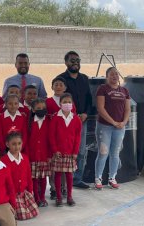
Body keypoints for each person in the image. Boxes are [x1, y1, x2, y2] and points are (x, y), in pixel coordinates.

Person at [57, 51, 92, 189]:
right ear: (66, 62)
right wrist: (72, 114)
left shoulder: (84, 79)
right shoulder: (60, 79)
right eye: (72, 60)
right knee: (65, 152)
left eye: (77, 60)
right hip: (65, 122)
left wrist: (86, 114)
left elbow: (89, 99)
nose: (75, 62)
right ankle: (63, 182)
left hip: (81, 121)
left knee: (80, 151)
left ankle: (77, 179)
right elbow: (58, 99)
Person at [93, 67, 130, 189]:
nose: (114, 76)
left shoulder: (124, 90)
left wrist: (124, 122)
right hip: (105, 126)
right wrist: (113, 122)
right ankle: (98, 178)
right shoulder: (102, 89)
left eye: (116, 74)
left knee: (115, 153)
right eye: (111, 74)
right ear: (107, 76)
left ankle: (112, 177)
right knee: (103, 152)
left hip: (120, 127)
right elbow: (100, 108)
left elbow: (127, 109)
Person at [46, 77, 76, 200]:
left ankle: (64, 188)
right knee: (55, 168)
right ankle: (53, 188)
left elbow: (74, 121)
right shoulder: (48, 101)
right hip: (54, 138)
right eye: (56, 84)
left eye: (61, 84)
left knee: (66, 169)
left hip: (67, 141)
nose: (58, 86)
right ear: (52, 87)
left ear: (65, 87)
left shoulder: (69, 103)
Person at [49, 93, 82, 207]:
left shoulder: (76, 119)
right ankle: (58, 197)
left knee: (69, 175)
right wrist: (55, 150)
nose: (67, 104)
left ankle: (69, 196)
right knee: (57, 175)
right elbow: (51, 136)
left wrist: (75, 152)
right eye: (64, 102)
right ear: (60, 104)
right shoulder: (55, 118)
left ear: (72, 104)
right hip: (59, 154)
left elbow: (78, 136)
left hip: (70, 153)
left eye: (69, 102)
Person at [1, 131, 38, 220]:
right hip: (11, 195)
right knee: (22, 216)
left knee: (34, 212)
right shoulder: (3, 160)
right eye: (13, 144)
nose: (17, 147)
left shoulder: (25, 158)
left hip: (23, 193)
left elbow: (29, 177)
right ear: (7, 144)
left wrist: (30, 192)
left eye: (19, 143)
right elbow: (2, 182)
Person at [27, 98, 50, 207]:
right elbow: (26, 140)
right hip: (33, 156)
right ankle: (36, 198)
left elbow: (50, 140)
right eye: (38, 108)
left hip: (44, 156)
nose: (41, 110)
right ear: (33, 109)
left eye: (43, 108)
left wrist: (49, 155)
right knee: (34, 179)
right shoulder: (29, 122)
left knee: (43, 178)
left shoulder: (49, 121)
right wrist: (27, 155)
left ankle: (42, 197)